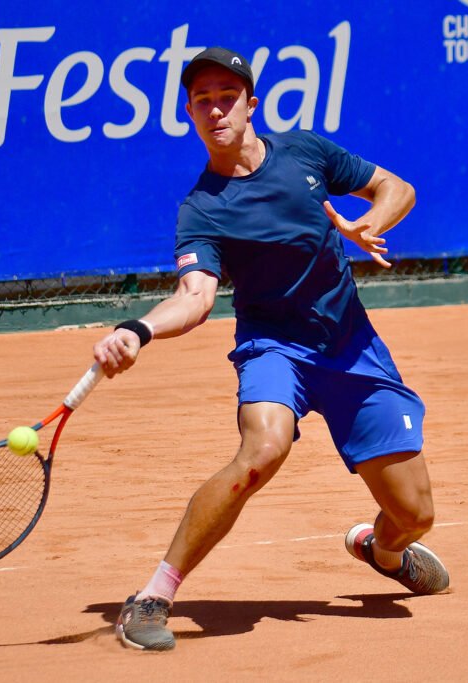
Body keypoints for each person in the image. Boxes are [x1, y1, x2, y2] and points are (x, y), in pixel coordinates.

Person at [92, 47, 449, 652]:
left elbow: (395, 187)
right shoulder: (201, 208)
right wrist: (139, 329)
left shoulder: (305, 153)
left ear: (251, 105)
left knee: (415, 516)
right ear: (189, 113)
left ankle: (382, 551)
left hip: (352, 348)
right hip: (273, 348)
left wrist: (369, 225)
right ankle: (153, 595)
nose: (215, 109)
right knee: (263, 448)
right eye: (202, 100)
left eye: (226, 97)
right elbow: (195, 296)